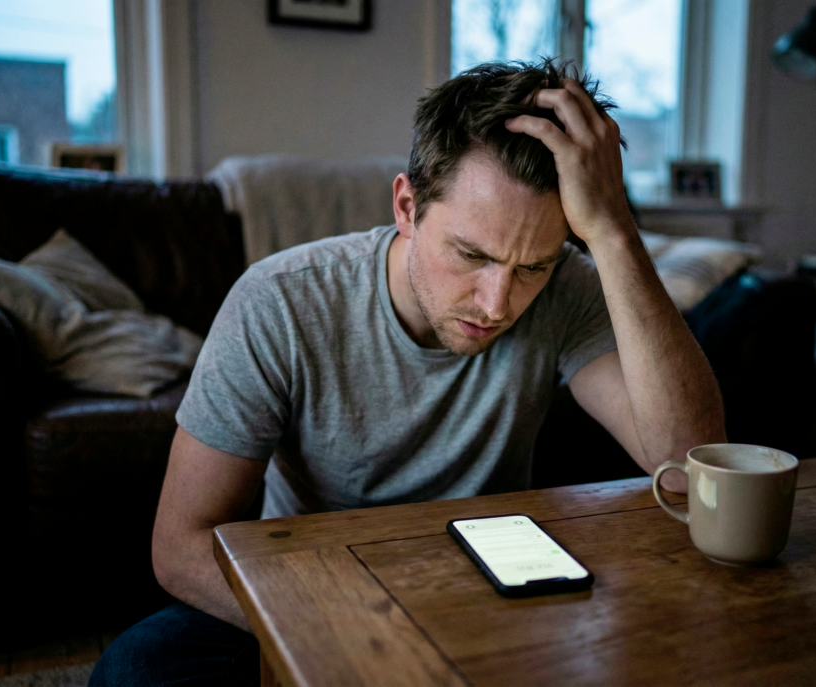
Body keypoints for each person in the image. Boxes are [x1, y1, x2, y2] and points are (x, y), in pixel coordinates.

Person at [89, 59, 725, 686]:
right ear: (406, 206)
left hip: (493, 590)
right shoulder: (278, 300)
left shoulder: (567, 287)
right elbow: (181, 548)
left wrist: (614, 232)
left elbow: (687, 467)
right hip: (315, 593)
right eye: (470, 254)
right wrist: (362, 640)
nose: (496, 304)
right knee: (135, 669)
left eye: (531, 267)